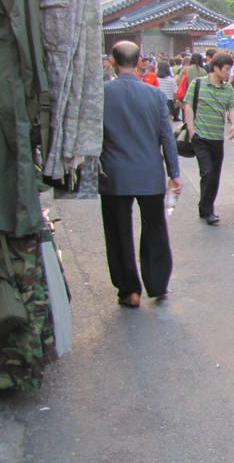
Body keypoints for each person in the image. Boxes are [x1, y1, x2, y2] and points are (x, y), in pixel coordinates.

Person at [99, 41, 181, 308]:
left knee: (118, 232)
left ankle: (129, 290)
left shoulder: (101, 93)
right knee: (155, 228)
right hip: (149, 173)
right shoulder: (154, 95)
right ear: (140, 62)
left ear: (112, 62)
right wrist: (174, 172)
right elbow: (166, 136)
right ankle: (156, 283)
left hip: (113, 173)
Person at [183, 52, 234, 225]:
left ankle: (205, 206)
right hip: (200, 136)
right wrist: (191, 129)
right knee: (207, 172)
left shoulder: (227, 88)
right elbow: (188, 106)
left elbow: (232, 107)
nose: (229, 73)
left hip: (217, 138)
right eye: (227, 69)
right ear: (216, 67)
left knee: (214, 175)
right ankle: (208, 211)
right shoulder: (197, 84)